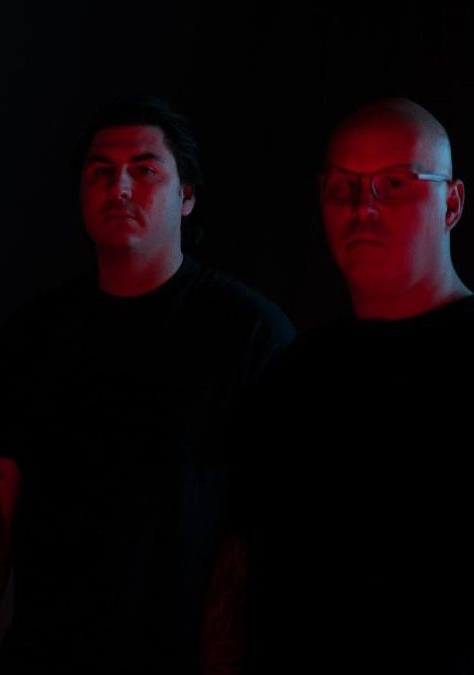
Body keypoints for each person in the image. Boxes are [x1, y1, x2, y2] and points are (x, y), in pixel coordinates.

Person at [0, 96, 294, 674]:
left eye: (145, 169)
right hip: (46, 654)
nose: (120, 188)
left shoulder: (249, 333)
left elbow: (261, 525)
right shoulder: (34, 333)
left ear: (187, 196)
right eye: (101, 173)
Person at [204, 98, 474, 675]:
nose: (363, 207)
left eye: (394, 184)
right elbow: (239, 567)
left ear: (451, 203)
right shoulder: (292, 376)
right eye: (343, 188)